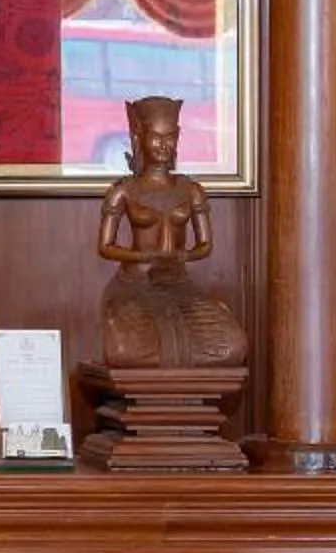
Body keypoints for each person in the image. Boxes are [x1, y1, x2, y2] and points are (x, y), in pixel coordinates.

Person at [96, 95, 246, 369]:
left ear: (178, 138)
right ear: (139, 137)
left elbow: (205, 246)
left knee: (233, 347)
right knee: (123, 352)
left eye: (170, 137)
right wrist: (142, 256)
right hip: (134, 284)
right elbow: (105, 246)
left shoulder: (190, 190)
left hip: (178, 284)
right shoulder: (124, 191)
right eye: (156, 138)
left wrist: (182, 255)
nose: (163, 146)